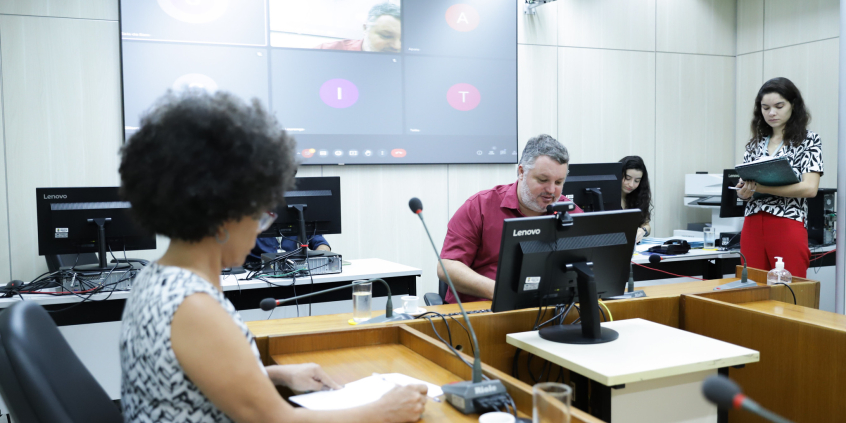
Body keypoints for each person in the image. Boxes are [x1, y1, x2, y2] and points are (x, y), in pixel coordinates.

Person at [118, 90, 427, 423]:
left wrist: (277, 375)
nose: (261, 229)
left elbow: (187, 384)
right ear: (223, 213)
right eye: (261, 215)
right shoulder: (193, 305)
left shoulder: (157, 279)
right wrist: (383, 411)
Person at [437, 134, 583, 304]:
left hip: (548, 310)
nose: (551, 190)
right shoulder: (480, 206)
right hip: (483, 311)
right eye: (543, 180)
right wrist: (501, 292)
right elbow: (447, 266)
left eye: (558, 182)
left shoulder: (570, 213)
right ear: (521, 172)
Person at [735, 77, 823, 278]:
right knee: (752, 289)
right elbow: (746, 192)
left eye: (779, 106)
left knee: (789, 290)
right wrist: (743, 191)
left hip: (787, 221)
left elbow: (810, 188)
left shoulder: (808, 140)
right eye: (765, 108)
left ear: (794, 105)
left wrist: (762, 188)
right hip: (752, 223)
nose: (771, 113)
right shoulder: (755, 143)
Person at [315, 3, 401, 53]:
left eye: (403, 39)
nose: (397, 46)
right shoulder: (326, 51)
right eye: (386, 36)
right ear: (365, 28)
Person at [618, 156, 652, 244]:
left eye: (637, 181)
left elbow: (646, 225)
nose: (631, 185)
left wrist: (642, 231)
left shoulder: (638, 197)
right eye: (627, 178)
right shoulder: (604, 197)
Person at [246, 234, 331, 265]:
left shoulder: (296, 214)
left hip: (292, 271)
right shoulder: (252, 218)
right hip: (256, 274)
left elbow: (320, 243)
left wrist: (321, 258)